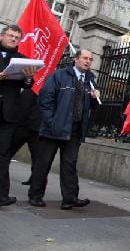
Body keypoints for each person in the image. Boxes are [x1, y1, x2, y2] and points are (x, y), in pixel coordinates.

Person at [28, 49, 100, 209]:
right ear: (76, 59)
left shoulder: (90, 80)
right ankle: (35, 195)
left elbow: (90, 106)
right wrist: (51, 122)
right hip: (54, 128)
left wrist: (95, 99)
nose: (88, 61)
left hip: (74, 130)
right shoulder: (59, 75)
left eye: (90, 59)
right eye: (84, 58)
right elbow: (45, 99)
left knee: (69, 164)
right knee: (43, 163)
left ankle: (70, 198)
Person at [0, 25, 37, 207]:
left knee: (3, 153)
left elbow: (28, 85)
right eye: (10, 36)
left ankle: (2, 195)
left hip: (8, 114)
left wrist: (29, 77)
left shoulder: (22, 60)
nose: (13, 39)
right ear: (2, 36)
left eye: (16, 37)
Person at [9, 88, 41, 185]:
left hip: (28, 126)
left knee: (37, 157)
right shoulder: (33, 87)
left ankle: (35, 180)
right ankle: (35, 180)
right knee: (37, 157)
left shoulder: (33, 88)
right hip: (31, 126)